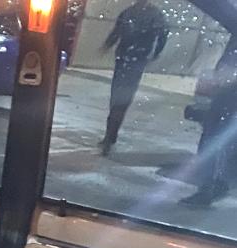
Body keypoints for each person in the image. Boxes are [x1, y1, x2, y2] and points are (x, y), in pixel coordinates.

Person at [99, 0, 168, 155]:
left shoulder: (129, 11)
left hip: (125, 58)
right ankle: (111, 134)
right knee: (124, 97)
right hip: (137, 58)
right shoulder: (155, 15)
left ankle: (110, 134)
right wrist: (155, 53)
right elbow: (163, 34)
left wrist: (107, 45)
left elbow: (116, 32)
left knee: (117, 96)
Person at [180, 35, 237, 207]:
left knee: (213, 140)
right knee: (221, 141)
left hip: (227, 95)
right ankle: (217, 183)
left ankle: (210, 187)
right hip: (226, 93)